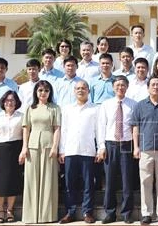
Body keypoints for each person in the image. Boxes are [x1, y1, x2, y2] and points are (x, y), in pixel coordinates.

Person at [131, 77, 158, 225]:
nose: (155, 87)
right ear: (148, 87)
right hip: (145, 149)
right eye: (153, 84)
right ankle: (146, 213)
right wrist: (136, 147)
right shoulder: (140, 106)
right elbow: (135, 127)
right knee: (145, 182)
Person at [19, 80, 61, 224]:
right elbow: (26, 128)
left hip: (49, 144)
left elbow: (57, 128)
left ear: (50, 93)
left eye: (46, 90)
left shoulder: (55, 108)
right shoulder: (30, 108)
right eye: (40, 90)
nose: (43, 93)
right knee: (31, 180)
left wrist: (55, 146)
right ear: (36, 92)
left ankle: (47, 215)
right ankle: (31, 215)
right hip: (32, 145)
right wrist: (24, 147)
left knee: (48, 179)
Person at [96, 75, 137, 224]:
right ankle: (110, 213)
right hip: (110, 145)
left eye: (123, 85)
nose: (120, 87)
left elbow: (135, 127)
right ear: (113, 87)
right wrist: (101, 146)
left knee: (127, 181)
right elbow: (101, 126)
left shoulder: (133, 104)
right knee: (110, 181)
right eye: (117, 85)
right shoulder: (106, 104)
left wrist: (135, 147)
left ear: (127, 87)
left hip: (127, 145)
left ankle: (127, 213)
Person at [58, 80, 100, 224]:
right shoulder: (67, 109)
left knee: (88, 184)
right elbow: (63, 130)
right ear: (74, 91)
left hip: (88, 151)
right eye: (78, 88)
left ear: (88, 91)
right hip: (70, 150)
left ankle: (87, 212)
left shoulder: (95, 109)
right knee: (69, 184)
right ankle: (70, 212)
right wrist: (61, 150)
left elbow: (99, 130)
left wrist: (101, 148)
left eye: (83, 88)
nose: (80, 90)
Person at [0, 91, 24, 223]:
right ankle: (0, 211)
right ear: (3, 102)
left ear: (16, 102)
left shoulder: (21, 116)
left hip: (15, 149)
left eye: (12, 100)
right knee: (0, 183)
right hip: (0, 149)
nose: (10, 102)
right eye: (7, 100)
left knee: (13, 181)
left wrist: (23, 151)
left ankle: (10, 210)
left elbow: (25, 135)